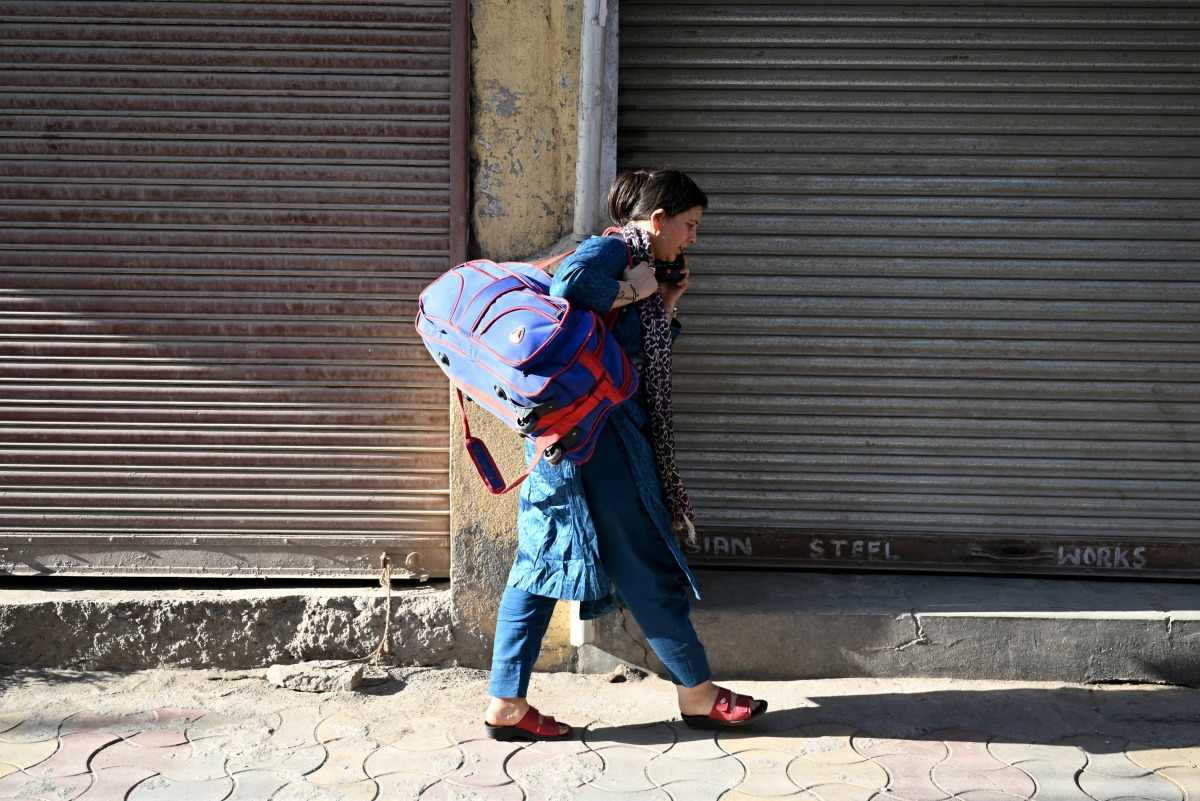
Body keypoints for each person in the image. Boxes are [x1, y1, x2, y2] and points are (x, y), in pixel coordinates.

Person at [482, 169, 767, 741]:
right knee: (644, 560)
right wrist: (638, 291)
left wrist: (664, 303)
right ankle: (697, 694)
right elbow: (570, 285)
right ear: (658, 220)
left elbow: (625, 353)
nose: (693, 238)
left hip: (575, 438)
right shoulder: (615, 250)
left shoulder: (638, 265)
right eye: (689, 225)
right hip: (599, 442)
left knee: (540, 565)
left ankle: (506, 703)